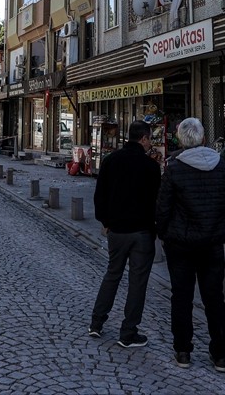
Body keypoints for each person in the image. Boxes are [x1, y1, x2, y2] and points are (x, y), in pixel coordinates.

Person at [155, 117, 225, 372]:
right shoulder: (222, 166)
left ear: (181, 140)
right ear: (203, 139)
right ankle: (220, 355)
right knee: (214, 298)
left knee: (181, 297)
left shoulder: (175, 168)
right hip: (212, 243)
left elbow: (163, 206)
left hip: (180, 244)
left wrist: (163, 233)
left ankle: (183, 350)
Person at [89, 120, 162, 348]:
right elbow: (156, 202)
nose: (151, 143)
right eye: (150, 139)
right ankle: (128, 332)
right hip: (141, 232)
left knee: (113, 274)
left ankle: (96, 323)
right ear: (143, 139)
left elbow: (99, 195)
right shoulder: (151, 167)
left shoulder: (111, 161)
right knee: (137, 282)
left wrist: (106, 221)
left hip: (117, 231)